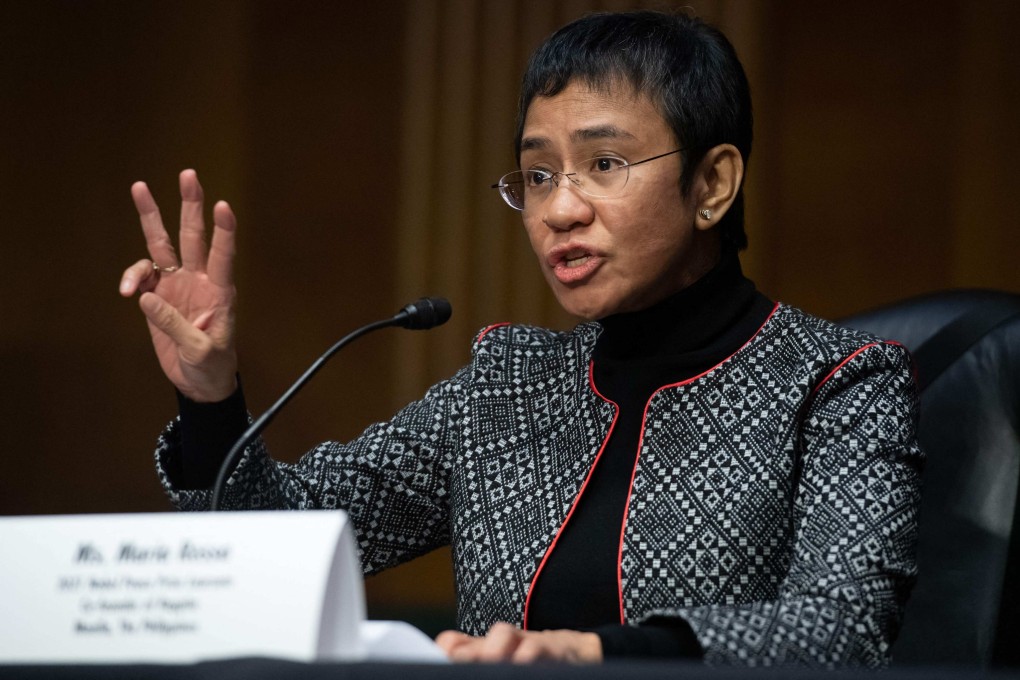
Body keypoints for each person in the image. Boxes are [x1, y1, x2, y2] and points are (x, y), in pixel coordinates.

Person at [119, 10, 922, 667]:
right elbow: (285, 544)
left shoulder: (838, 384)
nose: (559, 210)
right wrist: (209, 396)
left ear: (711, 184)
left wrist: (595, 656)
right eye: (538, 175)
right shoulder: (508, 387)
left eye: (604, 163)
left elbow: (843, 627)